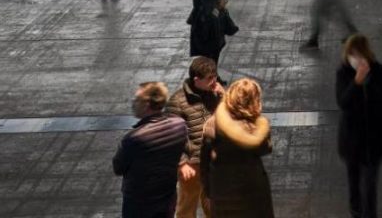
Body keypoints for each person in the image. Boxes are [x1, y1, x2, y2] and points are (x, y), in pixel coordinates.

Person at [337, 35, 382, 218]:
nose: (355, 58)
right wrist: (356, 83)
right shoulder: (343, 73)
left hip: (373, 141)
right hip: (352, 142)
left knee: (370, 186)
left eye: (359, 54)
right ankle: (355, 212)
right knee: (354, 184)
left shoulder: (379, 72)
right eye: (352, 54)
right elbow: (343, 102)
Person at [199, 78, 274, 218]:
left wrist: (208, 190)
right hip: (252, 193)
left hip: (222, 192)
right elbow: (266, 148)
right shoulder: (256, 127)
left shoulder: (213, 124)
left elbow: (204, 161)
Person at [112, 82, 188, 218]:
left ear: (147, 105)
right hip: (167, 195)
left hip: (139, 202)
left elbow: (118, 168)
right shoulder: (179, 125)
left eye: (137, 100)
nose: (133, 103)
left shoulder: (134, 138)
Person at [167, 57, 224, 218]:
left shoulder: (215, 94)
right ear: (196, 80)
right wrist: (182, 163)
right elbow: (172, 138)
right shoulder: (178, 102)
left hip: (212, 160)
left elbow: (231, 117)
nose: (214, 81)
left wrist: (224, 96)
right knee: (187, 205)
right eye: (210, 78)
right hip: (192, 163)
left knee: (214, 203)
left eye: (215, 76)